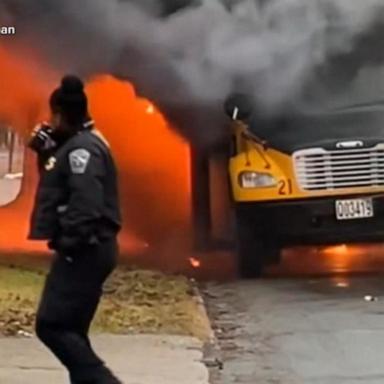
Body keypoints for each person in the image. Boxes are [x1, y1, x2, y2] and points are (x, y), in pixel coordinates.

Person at [28, 75, 123, 384]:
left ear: (62, 114)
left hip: (85, 249)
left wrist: (70, 242)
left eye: (53, 115)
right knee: (72, 331)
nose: (49, 121)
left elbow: (86, 202)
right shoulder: (75, 145)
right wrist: (46, 152)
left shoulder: (84, 150)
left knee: (52, 325)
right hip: (87, 248)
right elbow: (60, 185)